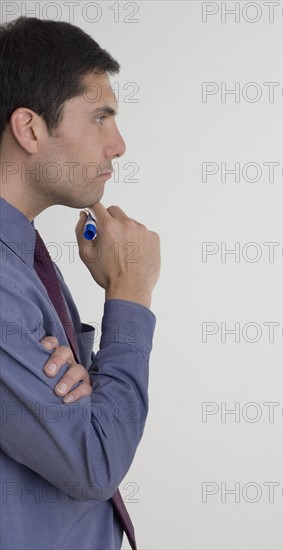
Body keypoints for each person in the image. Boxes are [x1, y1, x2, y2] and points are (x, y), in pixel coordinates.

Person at [0, 16, 161, 550]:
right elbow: (94, 461)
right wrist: (130, 294)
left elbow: (85, 422)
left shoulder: (25, 258)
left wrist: (84, 386)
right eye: (100, 118)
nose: (117, 144)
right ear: (30, 129)